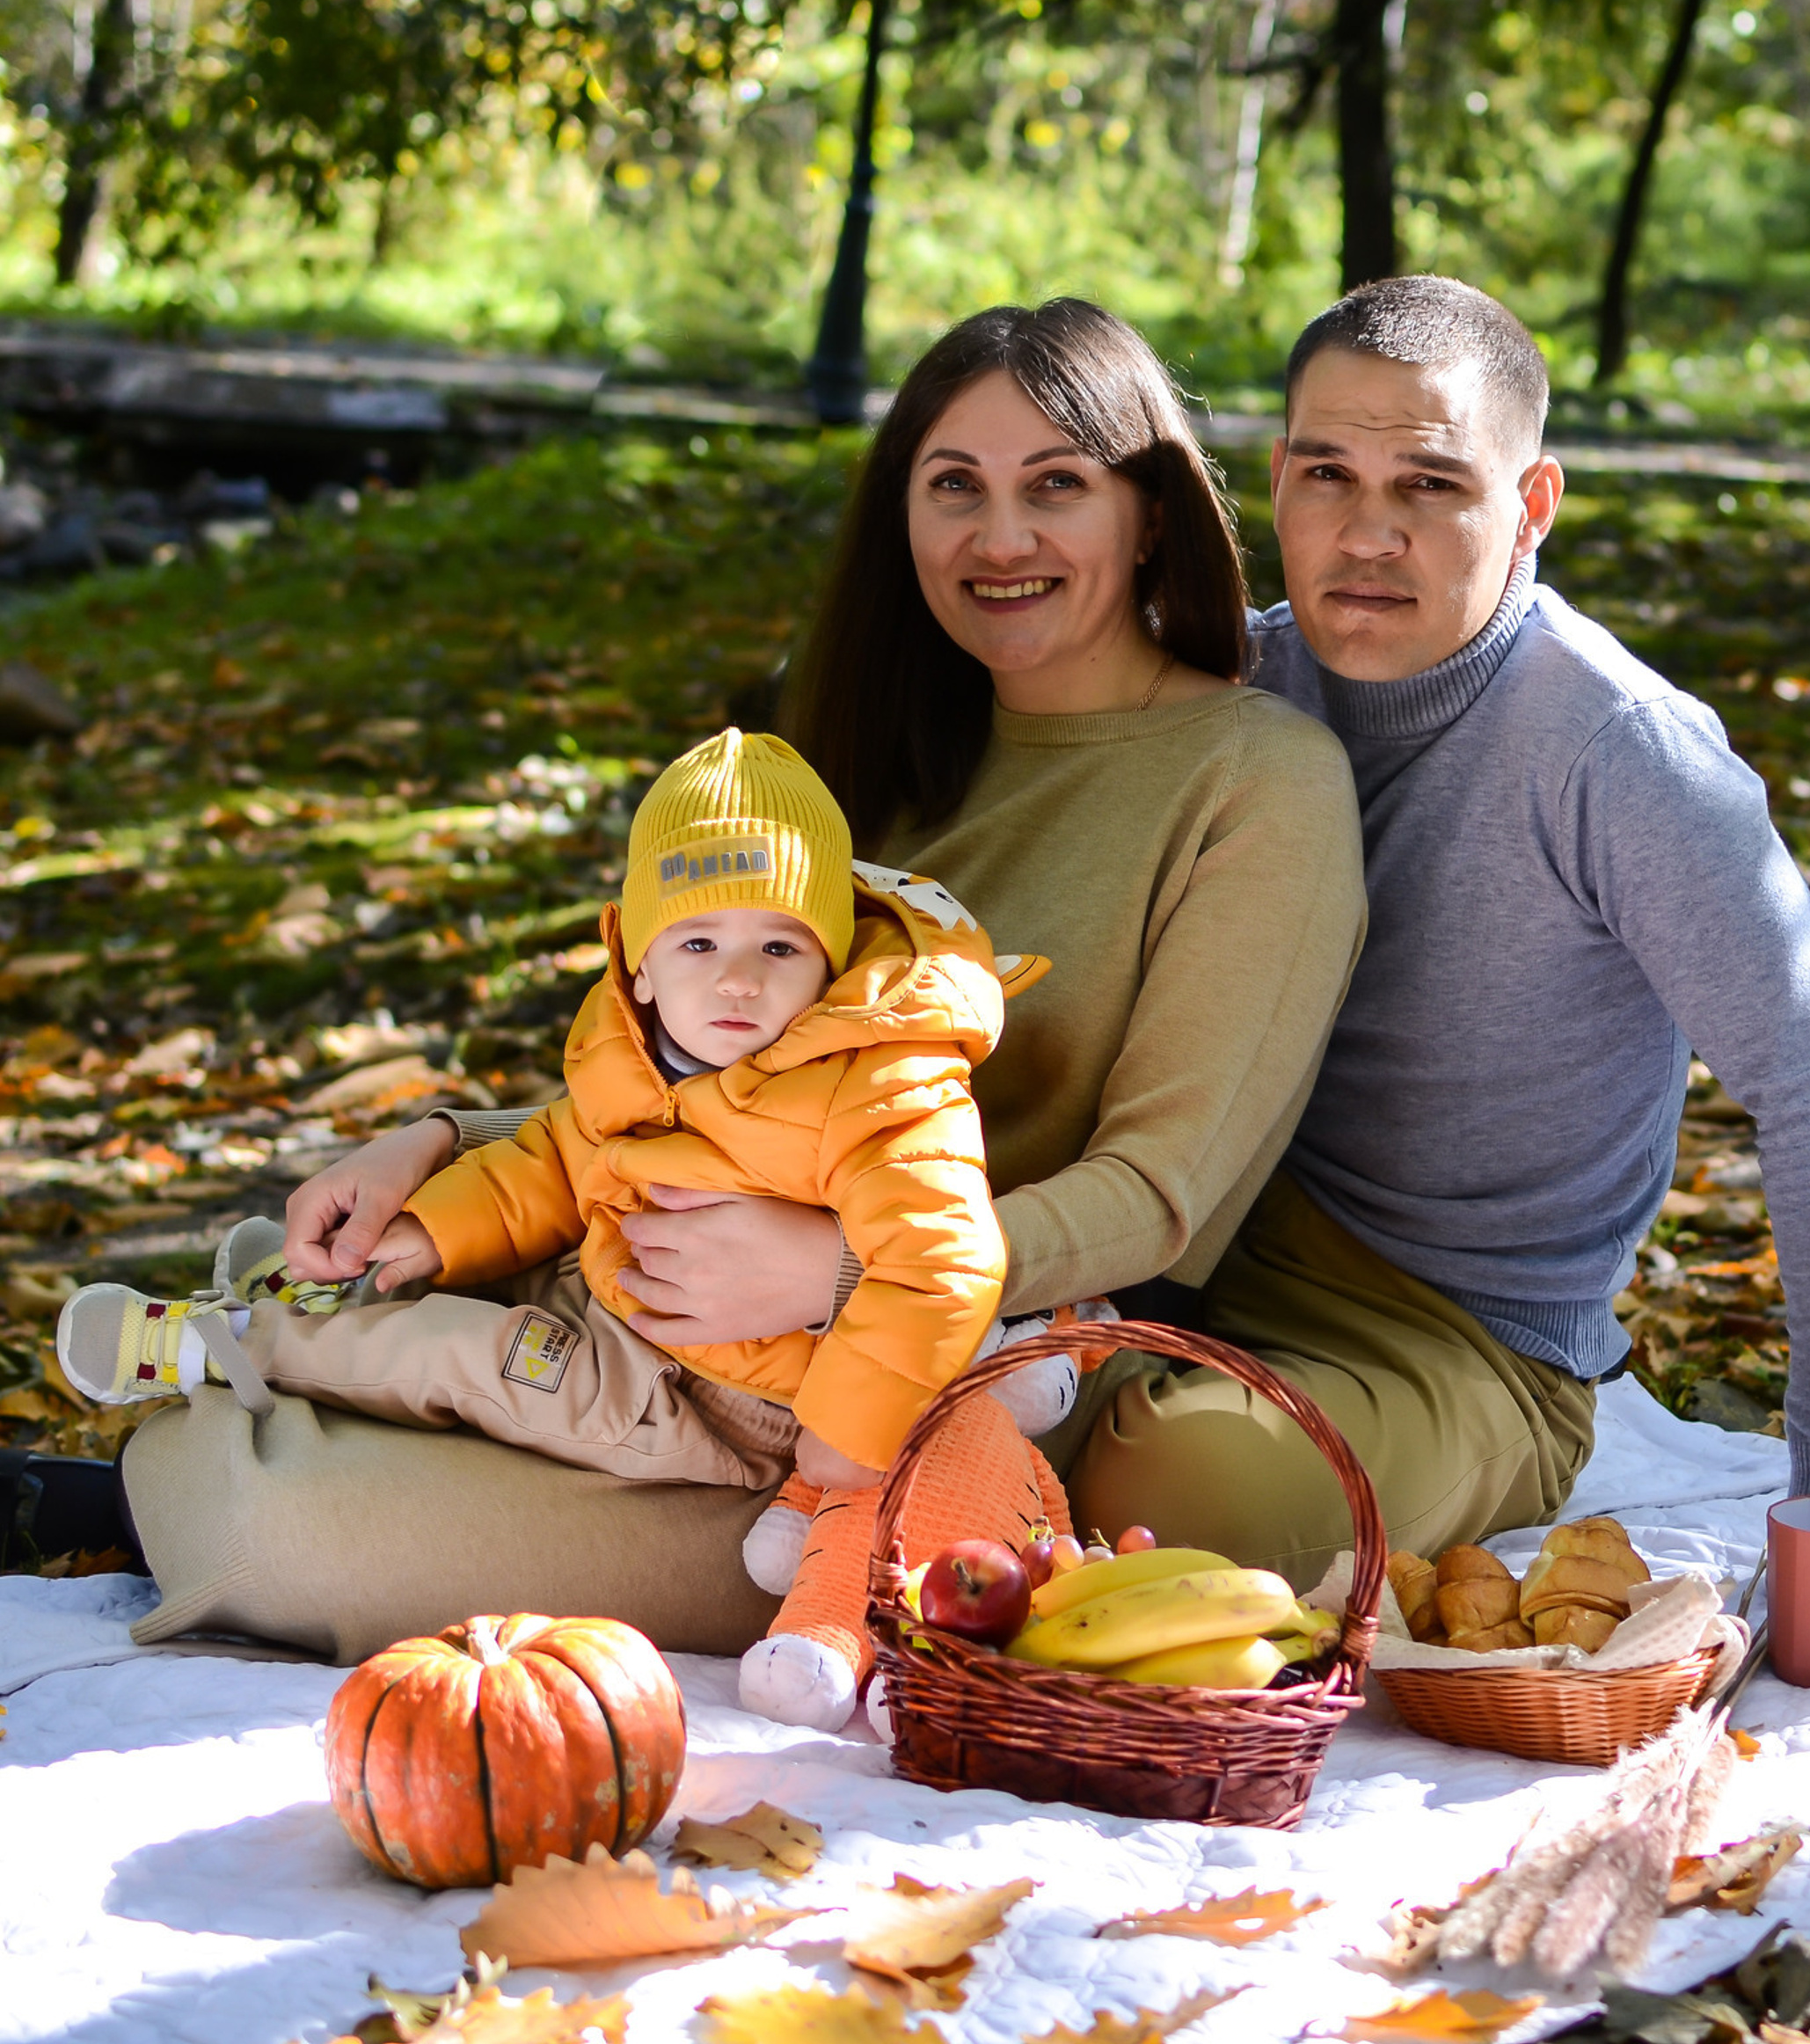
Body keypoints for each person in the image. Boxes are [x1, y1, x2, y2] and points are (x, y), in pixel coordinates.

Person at [117, 298, 1366, 1665]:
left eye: (1056, 486)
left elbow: (1165, 1197)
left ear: (1149, 515)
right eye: (954, 488)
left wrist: (839, 1273)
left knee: (275, 1535)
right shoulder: (857, 755)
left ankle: (257, 1436)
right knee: (332, 1273)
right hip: (652, 1290)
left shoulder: (1256, 782)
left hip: (916, 1374)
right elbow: (700, 1057)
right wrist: (437, 1142)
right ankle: (263, 1370)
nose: (999, 540)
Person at [1067, 276, 1810, 1586]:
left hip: (1455, 1336)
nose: (1367, 535)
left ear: (1530, 509)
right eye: (1330, 476)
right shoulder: (1237, 686)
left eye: (1431, 486)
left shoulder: (1620, 755)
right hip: (1181, 1242)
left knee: (1175, 1489)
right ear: (1275, 479)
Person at [67, 726, 1077, 1726]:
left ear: (831, 961)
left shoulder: (880, 1082)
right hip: (616, 1300)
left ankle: (244, 1346)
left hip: (731, 1400)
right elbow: (557, 1153)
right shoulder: (633, 1048)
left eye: (780, 945)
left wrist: (848, 1434)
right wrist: (436, 1222)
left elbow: (944, 1255)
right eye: (698, 943)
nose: (738, 979)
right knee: (427, 1305)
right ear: (637, 964)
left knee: (474, 1357)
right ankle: (271, 1309)